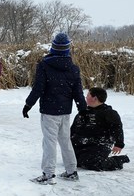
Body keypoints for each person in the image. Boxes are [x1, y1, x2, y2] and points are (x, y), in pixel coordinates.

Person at [23, 32, 87, 184]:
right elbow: (78, 92)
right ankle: (71, 171)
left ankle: (48, 174)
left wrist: (28, 105)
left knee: (49, 142)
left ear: (53, 47)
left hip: (50, 110)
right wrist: (82, 109)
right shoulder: (73, 68)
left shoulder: (44, 65)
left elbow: (38, 88)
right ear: (67, 49)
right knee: (65, 141)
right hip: (65, 111)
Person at [71, 87, 129, 171]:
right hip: (80, 144)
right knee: (74, 162)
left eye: (88, 95)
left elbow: (117, 128)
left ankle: (117, 161)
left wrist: (119, 144)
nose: (86, 97)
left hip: (99, 144)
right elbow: (74, 128)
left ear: (95, 98)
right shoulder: (83, 112)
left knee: (92, 163)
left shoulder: (109, 113)